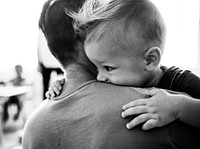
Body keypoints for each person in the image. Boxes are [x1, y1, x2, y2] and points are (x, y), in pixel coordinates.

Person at [22, 0, 200, 148]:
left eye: (107, 67)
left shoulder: (181, 82)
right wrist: (61, 82)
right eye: (97, 67)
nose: (100, 77)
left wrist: (179, 107)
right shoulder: (125, 74)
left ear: (149, 60)